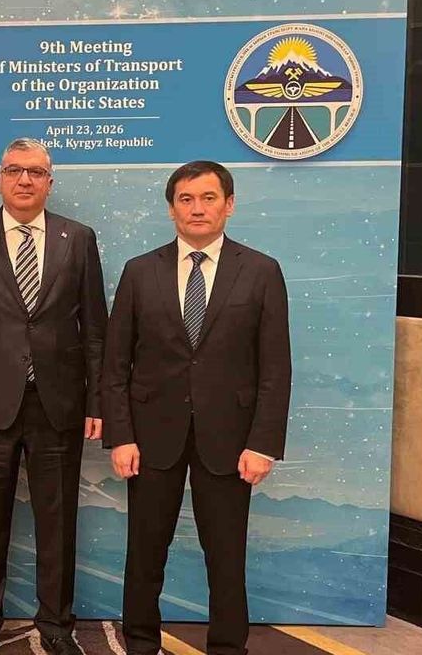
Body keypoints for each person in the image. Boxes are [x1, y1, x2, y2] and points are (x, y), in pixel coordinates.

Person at [102, 160, 292, 655]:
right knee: (145, 553)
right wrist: (121, 435)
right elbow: (115, 364)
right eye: (185, 199)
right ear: (171, 209)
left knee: (226, 557)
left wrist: (263, 444)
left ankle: (228, 647)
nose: (197, 209)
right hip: (150, 438)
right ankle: (139, 643)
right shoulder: (140, 271)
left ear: (229, 205)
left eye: (208, 198)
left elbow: (275, 368)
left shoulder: (261, 271)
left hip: (231, 440)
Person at [0, 137, 107, 655]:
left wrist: (97, 402)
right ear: (0, 180)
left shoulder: (79, 239)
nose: (25, 180)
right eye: (14, 170)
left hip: (59, 403)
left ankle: (56, 625)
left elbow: (95, 329)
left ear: (50, 182)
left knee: (58, 522)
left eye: (35, 172)